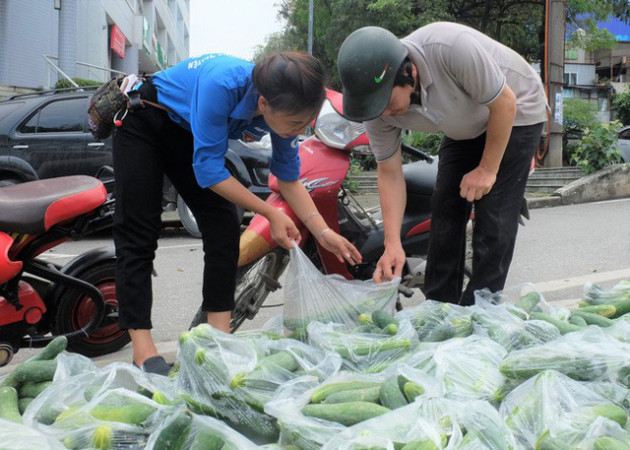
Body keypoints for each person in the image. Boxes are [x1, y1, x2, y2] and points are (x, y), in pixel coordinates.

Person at [113, 52, 362, 375]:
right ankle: (144, 351)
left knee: (224, 224)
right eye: (293, 124)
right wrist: (270, 214)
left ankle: (219, 338)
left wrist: (324, 232)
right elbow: (209, 172)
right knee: (139, 231)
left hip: (186, 129)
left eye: (304, 124)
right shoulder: (223, 84)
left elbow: (288, 178)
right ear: (263, 105)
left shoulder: (286, 105)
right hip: (143, 118)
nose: (296, 132)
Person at [337, 23, 546, 306]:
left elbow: (505, 103)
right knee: (445, 210)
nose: (382, 113)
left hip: (516, 111)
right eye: (373, 107)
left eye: (384, 102)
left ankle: (480, 313)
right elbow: (389, 173)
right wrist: (392, 244)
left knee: (493, 218)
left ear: (408, 72)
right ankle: (439, 309)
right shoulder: (376, 111)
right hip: (464, 124)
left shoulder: (450, 48)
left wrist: (487, 170)